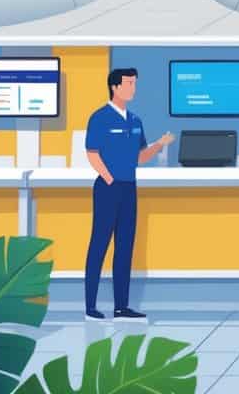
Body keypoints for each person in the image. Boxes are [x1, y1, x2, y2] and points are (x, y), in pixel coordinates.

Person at [84, 68, 174, 321]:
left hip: (129, 188)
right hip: (107, 188)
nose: (133, 88)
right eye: (129, 83)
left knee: (125, 247)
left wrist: (159, 145)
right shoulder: (99, 118)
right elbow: (92, 153)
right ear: (115, 87)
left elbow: (140, 156)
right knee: (99, 245)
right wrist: (110, 179)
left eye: (135, 83)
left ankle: (121, 307)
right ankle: (90, 307)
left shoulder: (135, 121)